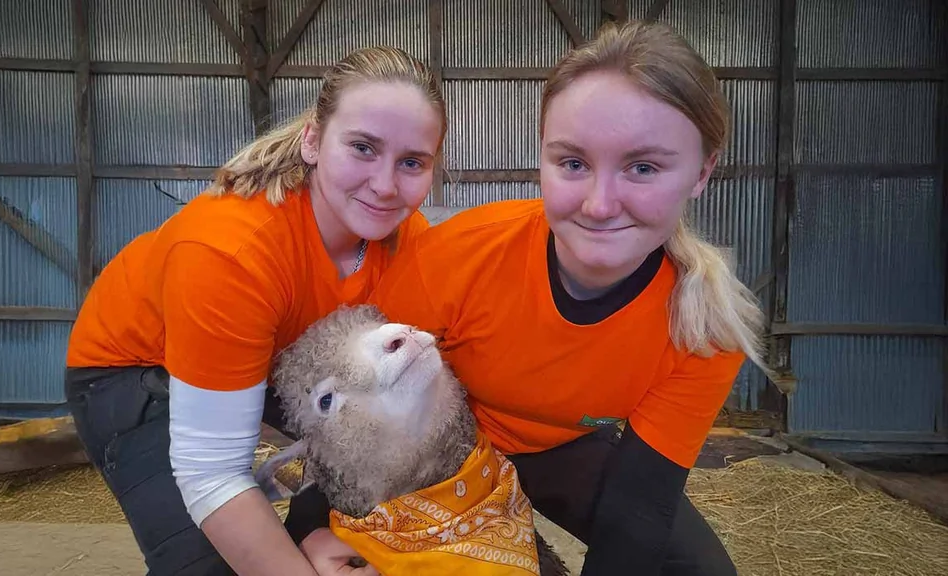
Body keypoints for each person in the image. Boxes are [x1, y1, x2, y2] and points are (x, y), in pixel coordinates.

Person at [287, 19, 770, 576]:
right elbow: (347, 411)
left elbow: (641, 503)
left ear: (702, 171)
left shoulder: (704, 324)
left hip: (552, 450)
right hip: (436, 445)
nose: (599, 204)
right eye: (573, 163)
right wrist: (312, 530)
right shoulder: (460, 255)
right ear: (541, 156)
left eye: (643, 167)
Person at [63, 46, 447, 576]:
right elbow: (211, 473)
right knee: (211, 562)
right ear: (313, 139)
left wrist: (321, 531)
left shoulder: (408, 243)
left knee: (358, 516)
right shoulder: (231, 252)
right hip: (135, 370)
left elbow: (390, 413)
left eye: (411, 163)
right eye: (362, 147)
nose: (385, 185)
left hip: (272, 361)